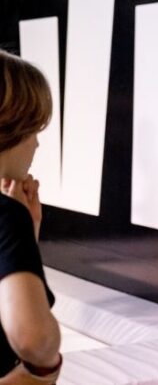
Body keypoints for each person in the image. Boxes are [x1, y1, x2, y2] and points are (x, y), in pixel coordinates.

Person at [0, 50, 61, 384]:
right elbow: (34, 340)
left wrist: (28, 237)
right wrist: (44, 371)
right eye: (35, 129)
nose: (37, 144)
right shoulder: (7, 216)